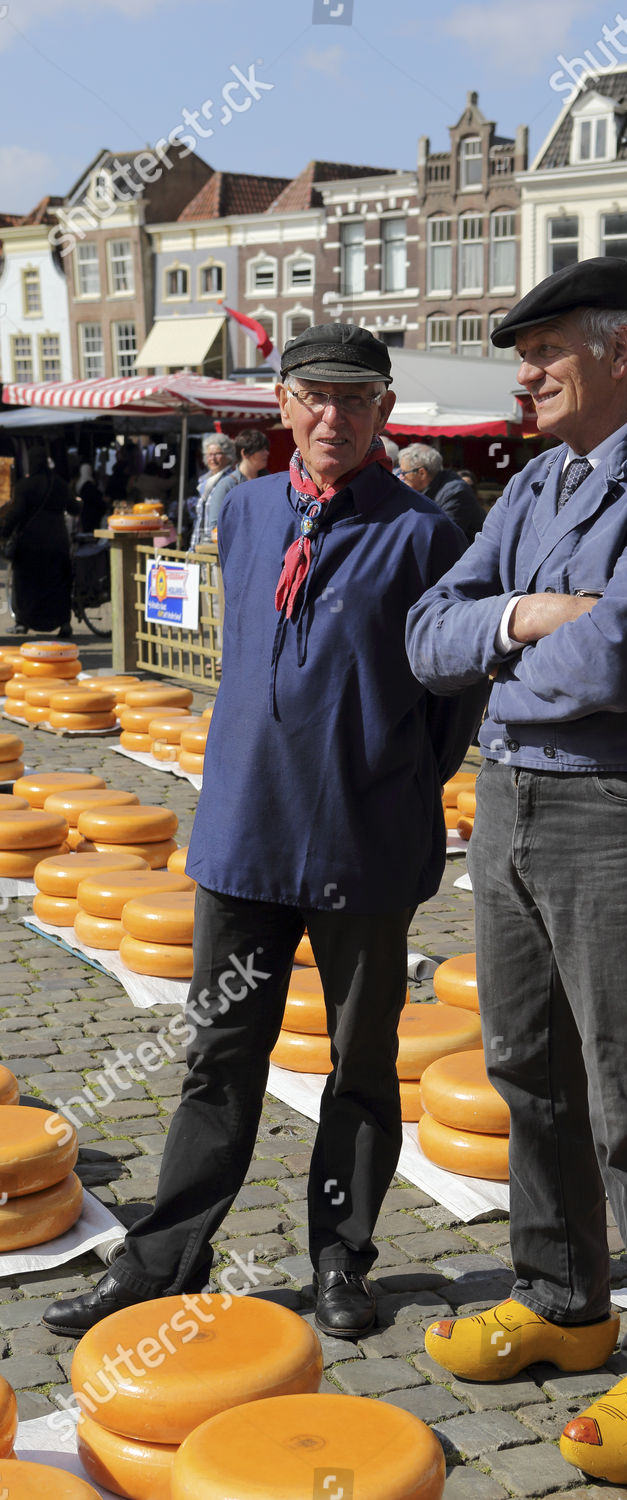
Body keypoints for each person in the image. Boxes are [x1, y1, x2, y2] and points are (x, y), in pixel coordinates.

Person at [44, 323, 483, 1344]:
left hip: (362, 844)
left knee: (360, 1063)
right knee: (218, 1057)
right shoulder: (241, 512)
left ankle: (342, 1258)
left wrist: (387, 774)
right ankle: (165, 1257)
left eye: (356, 397)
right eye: (313, 396)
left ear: (384, 411)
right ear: (281, 404)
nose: (333, 416)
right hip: (245, 832)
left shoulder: (423, 535)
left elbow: (451, 702)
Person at [405, 258, 627, 1487]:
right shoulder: (535, 483)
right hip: (508, 797)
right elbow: (425, 634)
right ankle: (561, 1296)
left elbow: (623, 664)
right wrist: (529, 618)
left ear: (623, 354)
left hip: (612, 809)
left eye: (545, 347)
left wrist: (517, 646)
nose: (523, 370)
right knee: (523, 1066)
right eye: (523, 349)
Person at [0, 446, 79, 637]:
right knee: (58, 584)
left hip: (30, 544)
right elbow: (75, 508)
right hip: (58, 542)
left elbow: (15, 514)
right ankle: (64, 623)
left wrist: (3, 533)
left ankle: (23, 623)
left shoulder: (25, 486)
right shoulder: (60, 484)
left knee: (26, 584)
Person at [399, 443, 485, 545]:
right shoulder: (425, 490)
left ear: (422, 473)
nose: (401, 477)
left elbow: (443, 538)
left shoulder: (455, 493)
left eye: (404, 473)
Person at [189, 434, 237, 545]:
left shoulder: (231, 481)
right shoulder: (203, 481)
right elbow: (199, 520)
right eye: (209, 454)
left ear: (228, 455)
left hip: (218, 547)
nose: (213, 459)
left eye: (217, 454)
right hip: (201, 545)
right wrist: (193, 548)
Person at [74, 463, 106, 533]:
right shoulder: (88, 485)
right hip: (91, 514)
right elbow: (96, 499)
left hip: (86, 513)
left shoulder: (80, 484)